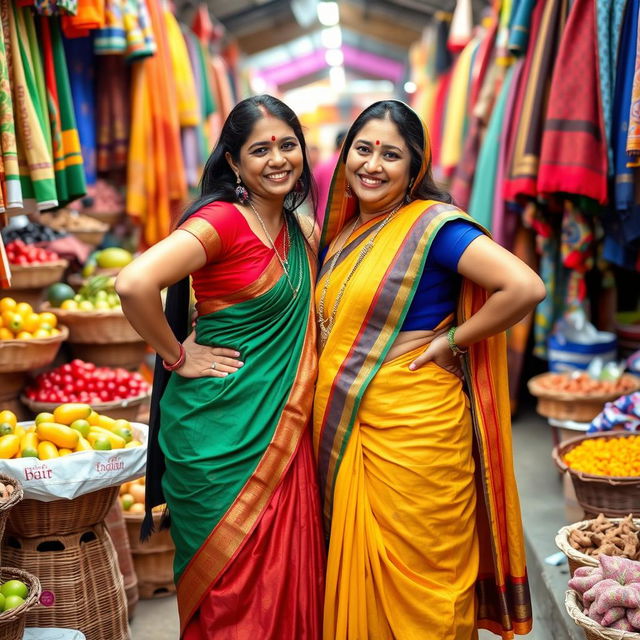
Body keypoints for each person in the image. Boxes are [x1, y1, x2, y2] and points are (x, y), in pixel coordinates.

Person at [313, 100, 545, 639]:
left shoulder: (432, 227)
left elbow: (526, 286)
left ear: (414, 167)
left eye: (390, 154)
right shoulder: (347, 229)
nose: (372, 165)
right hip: (355, 431)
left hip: (417, 436)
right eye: (363, 149)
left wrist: (452, 341)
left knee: (428, 587)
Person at [116, 95, 325, 639]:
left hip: (282, 425)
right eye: (260, 149)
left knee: (283, 583)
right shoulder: (221, 223)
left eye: (287, 144)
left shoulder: (303, 232)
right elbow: (134, 283)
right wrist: (177, 355)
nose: (278, 159)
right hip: (215, 436)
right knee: (229, 596)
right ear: (234, 162)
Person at [313, 130, 347, 224]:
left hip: (322, 218)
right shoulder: (348, 165)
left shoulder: (322, 165)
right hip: (344, 220)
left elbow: (312, 193)